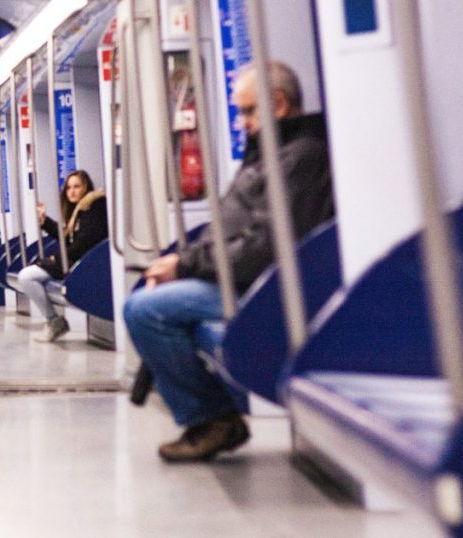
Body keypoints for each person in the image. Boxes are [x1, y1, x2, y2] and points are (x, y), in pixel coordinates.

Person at [123, 61, 334, 462]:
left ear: (278, 103)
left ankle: (213, 419)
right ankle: (210, 415)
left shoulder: (301, 157)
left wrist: (184, 267)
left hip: (264, 288)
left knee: (146, 310)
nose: (242, 122)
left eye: (248, 111)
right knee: (148, 301)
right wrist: (182, 262)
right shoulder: (269, 154)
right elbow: (231, 230)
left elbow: (267, 246)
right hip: (238, 279)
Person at [19, 170, 108, 342]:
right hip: (77, 261)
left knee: (27, 276)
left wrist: (58, 258)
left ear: (86, 187)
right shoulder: (80, 210)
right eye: (68, 188)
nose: (72, 192)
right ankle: (53, 320)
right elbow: (68, 236)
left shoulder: (94, 208)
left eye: (77, 187)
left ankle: (54, 321)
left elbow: (85, 241)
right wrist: (45, 221)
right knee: (27, 276)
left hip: (85, 264)